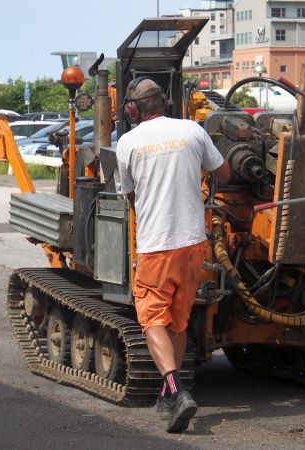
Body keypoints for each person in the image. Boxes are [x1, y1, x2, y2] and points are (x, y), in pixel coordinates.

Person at [115, 77, 230, 433]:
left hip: (156, 246)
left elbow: (130, 196)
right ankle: (169, 393)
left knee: (152, 320)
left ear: (133, 110)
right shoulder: (192, 130)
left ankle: (177, 390)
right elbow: (223, 172)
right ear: (166, 102)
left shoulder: (128, 143)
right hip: (194, 246)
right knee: (177, 322)